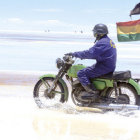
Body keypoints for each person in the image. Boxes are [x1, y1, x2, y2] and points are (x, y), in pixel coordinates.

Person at [66, 24, 117, 99]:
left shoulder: (102, 42)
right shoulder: (107, 40)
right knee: (87, 70)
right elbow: (97, 54)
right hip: (107, 65)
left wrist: (75, 54)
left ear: (99, 33)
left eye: (95, 32)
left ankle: (92, 92)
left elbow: (90, 53)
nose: (94, 34)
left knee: (81, 73)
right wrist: (83, 56)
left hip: (104, 66)